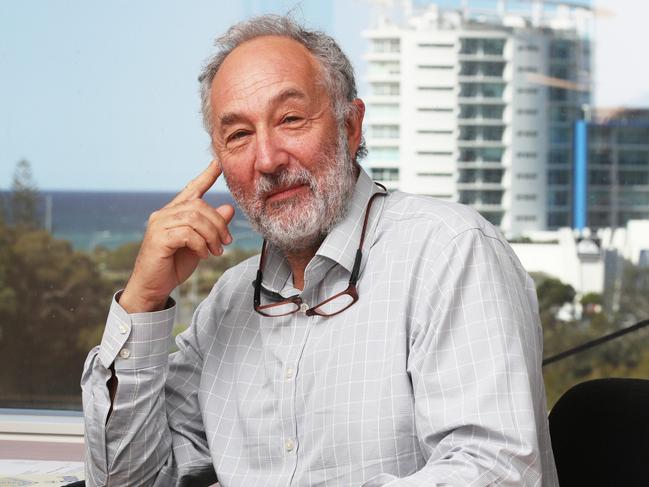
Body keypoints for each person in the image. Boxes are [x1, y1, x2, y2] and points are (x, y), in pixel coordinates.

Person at [81, 15, 558, 487]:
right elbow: (126, 480)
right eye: (239, 135)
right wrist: (143, 300)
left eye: (290, 119)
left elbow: (498, 471)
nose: (266, 160)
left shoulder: (450, 253)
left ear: (351, 127)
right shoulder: (229, 302)